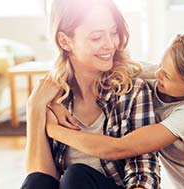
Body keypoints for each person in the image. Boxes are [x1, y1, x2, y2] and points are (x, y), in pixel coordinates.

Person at [46, 30, 184, 188]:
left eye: (167, 76)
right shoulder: (158, 74)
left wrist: (53, 129)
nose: (158, 73)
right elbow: (88, 71)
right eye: (161, 65)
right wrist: (54, 102)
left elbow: (118, 148)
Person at [21, 0, 160, 188]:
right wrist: (34, 108)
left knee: (76, 176)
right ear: (65, 41)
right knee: (37, 180)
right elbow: (41, 177)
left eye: (113, 33)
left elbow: (143, 174)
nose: (110, 44)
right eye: (96, 37)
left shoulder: (133, 90)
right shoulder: (54, 99)